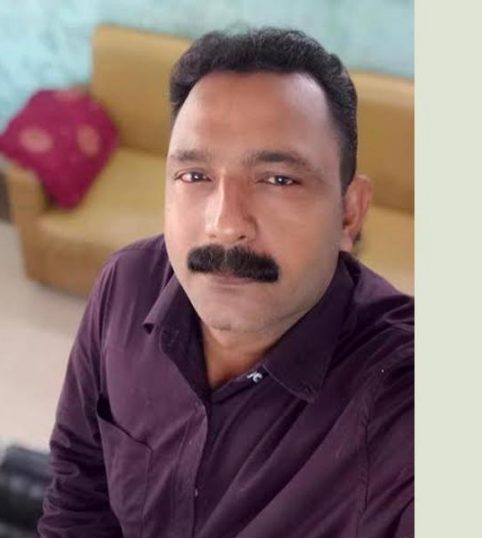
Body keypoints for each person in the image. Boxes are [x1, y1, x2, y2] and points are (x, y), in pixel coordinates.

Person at [37, 27, 413, 538]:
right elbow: (78, 484)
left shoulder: (397, 397)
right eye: (195, 176)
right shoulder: (126, 287)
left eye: (279, 179)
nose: (225, 223)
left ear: (349, 213)